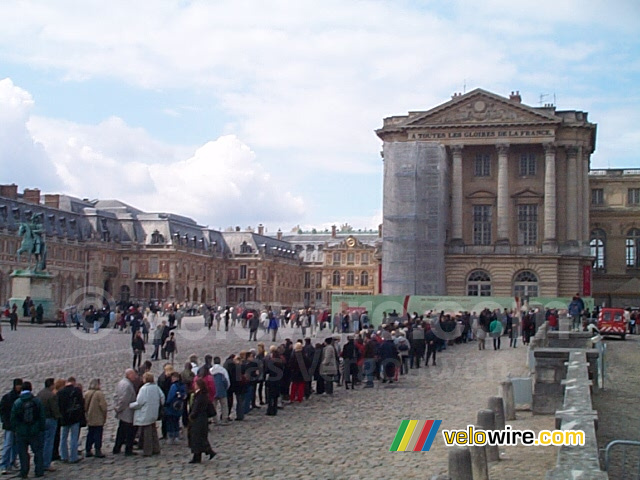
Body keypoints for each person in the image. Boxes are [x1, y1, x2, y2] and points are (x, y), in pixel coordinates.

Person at [10, 381, 45, 479]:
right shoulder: (37, 401)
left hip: (21, 432)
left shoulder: (17, 402)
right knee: (37, 451)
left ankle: (24, 471)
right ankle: (39, 471)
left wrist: (16, 429)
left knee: (23, 453)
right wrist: (41, 428)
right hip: (35, 430)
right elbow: (42, 416)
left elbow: (13, 418)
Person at [129, 372, 164, 457]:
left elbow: (140, 402)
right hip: (153, 412)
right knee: (153, 431)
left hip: (145, 413)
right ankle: (156, 448)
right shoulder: (156, 387)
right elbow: (162, 397)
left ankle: (148, 451)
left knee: (147, 433)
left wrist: (131, 405)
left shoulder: (144, 389)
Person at [187, 379, 216, 464]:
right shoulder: (203, 395)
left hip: (198, 419)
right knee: (199, 438)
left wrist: (191, 416)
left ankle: (205, 453)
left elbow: (196, 408)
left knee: (197, 438)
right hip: (202, 419)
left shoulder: (200, 396)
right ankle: (198, 455)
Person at [57, 377, 84, 464]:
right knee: (74, 437)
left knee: (63, 437)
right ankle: (73, 457)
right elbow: (81, 404)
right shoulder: (77, 391)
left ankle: (64, 456)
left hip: (64, 417)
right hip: (75, 417)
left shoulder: (60, 392)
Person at [36, 378, 60, 472]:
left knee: (41, 442)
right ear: (51, 385)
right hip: (50, 420)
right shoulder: (51, 395)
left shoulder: (40, 394)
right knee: (49, 442)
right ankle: (46, 463)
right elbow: (55, 409)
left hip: (41, 420)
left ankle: (40, 462)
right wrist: (58, 417)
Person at [112, 369, 138, 456]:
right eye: (133, 375)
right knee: (129, 432)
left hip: (123, 412)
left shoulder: (121, 382)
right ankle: (128, 450)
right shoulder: (127, 385)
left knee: (121, 431)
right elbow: (124, 400)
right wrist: (119, 408)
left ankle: (117, 448)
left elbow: (115, 396)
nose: (135, 376)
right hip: (127, 411)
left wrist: (116, 406)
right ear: (129, 375)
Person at [1, 378, 22, 475]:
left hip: (17, 426)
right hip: (10, 426)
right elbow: (3, 412)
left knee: (15, 445)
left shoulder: (20, 397)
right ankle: (4, 465)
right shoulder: (8, 398)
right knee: (8, 445)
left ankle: (12, 462)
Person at [83, 379, 107, 459]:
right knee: (98, 434)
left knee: (90, 433)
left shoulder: (86, 393)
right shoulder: (99, 394)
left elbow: (85, 406)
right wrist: (104, 415)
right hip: (98, 417)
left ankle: (88, 449)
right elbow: (103, 406)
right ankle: (97, 450)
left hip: (90, 417)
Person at [164, 373, 186, 444]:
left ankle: (171, 437)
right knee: (176, 421)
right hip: (179, 406)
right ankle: (177, 436)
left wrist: (167, 403)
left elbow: (170, 396)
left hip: (172, 407)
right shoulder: (183, 386)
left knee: (170, 422)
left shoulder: (174, 386)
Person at [210, 357, 230, 425]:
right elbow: (227, 381)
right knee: (224, 405)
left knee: (213, 406)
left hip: (213, 391)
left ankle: (214, 419)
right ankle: (225, 418)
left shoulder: (211, 370)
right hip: (222, 390)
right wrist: (226, 388)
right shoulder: (223, 370)